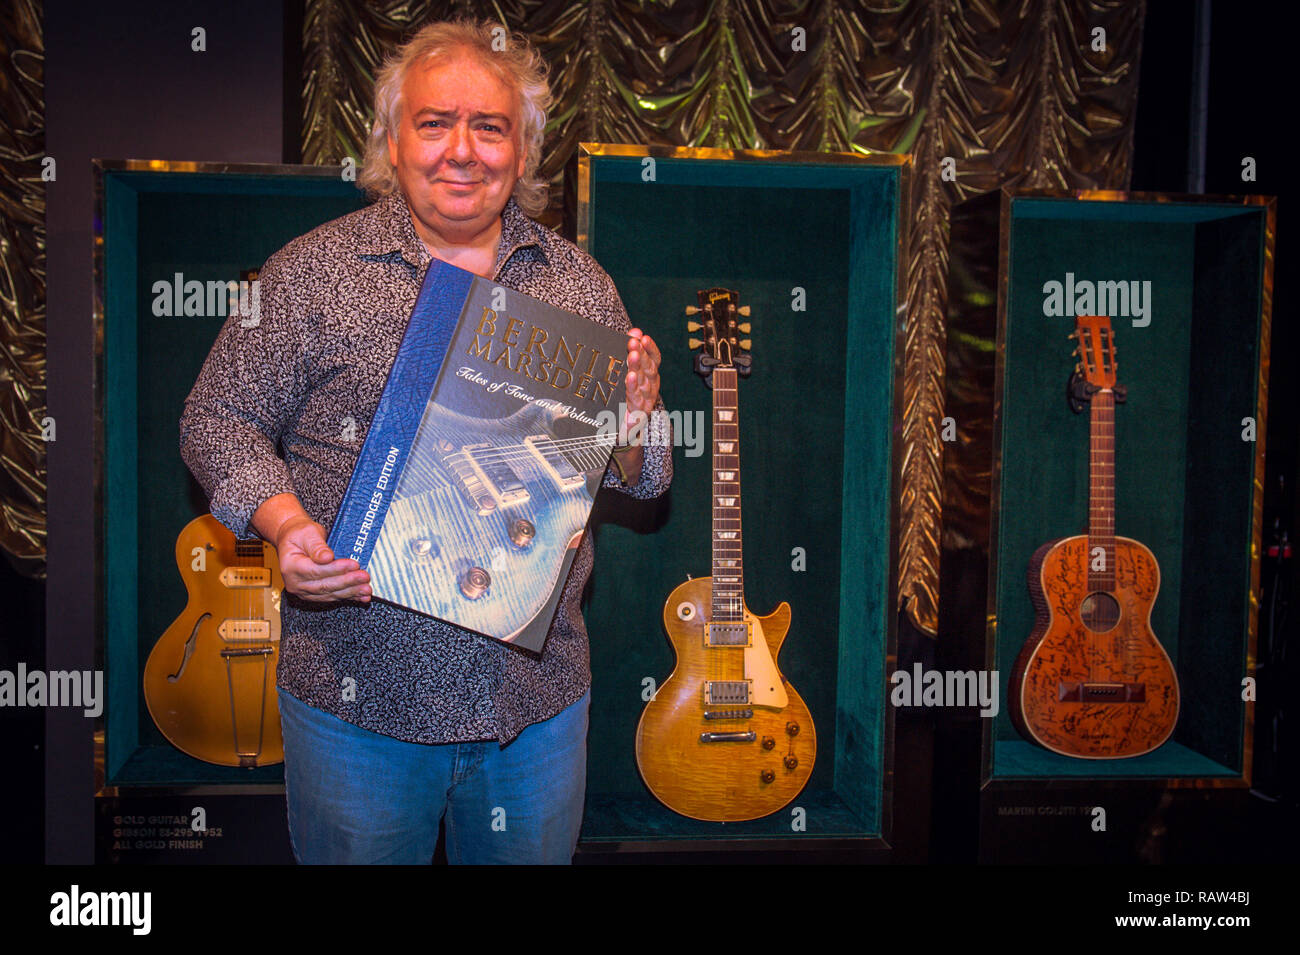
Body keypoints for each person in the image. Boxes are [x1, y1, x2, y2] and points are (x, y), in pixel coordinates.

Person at [179, 18, 671, 864]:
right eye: (435, 122)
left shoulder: (581, 286)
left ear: (522, 151)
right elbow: (215, 417)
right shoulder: (309, 272)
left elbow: (643, 481)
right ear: (390, 142)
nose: (463, 150)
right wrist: (288, 526)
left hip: (535, 706)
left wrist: (635, 420)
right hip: (358, 699)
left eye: (490, 127)